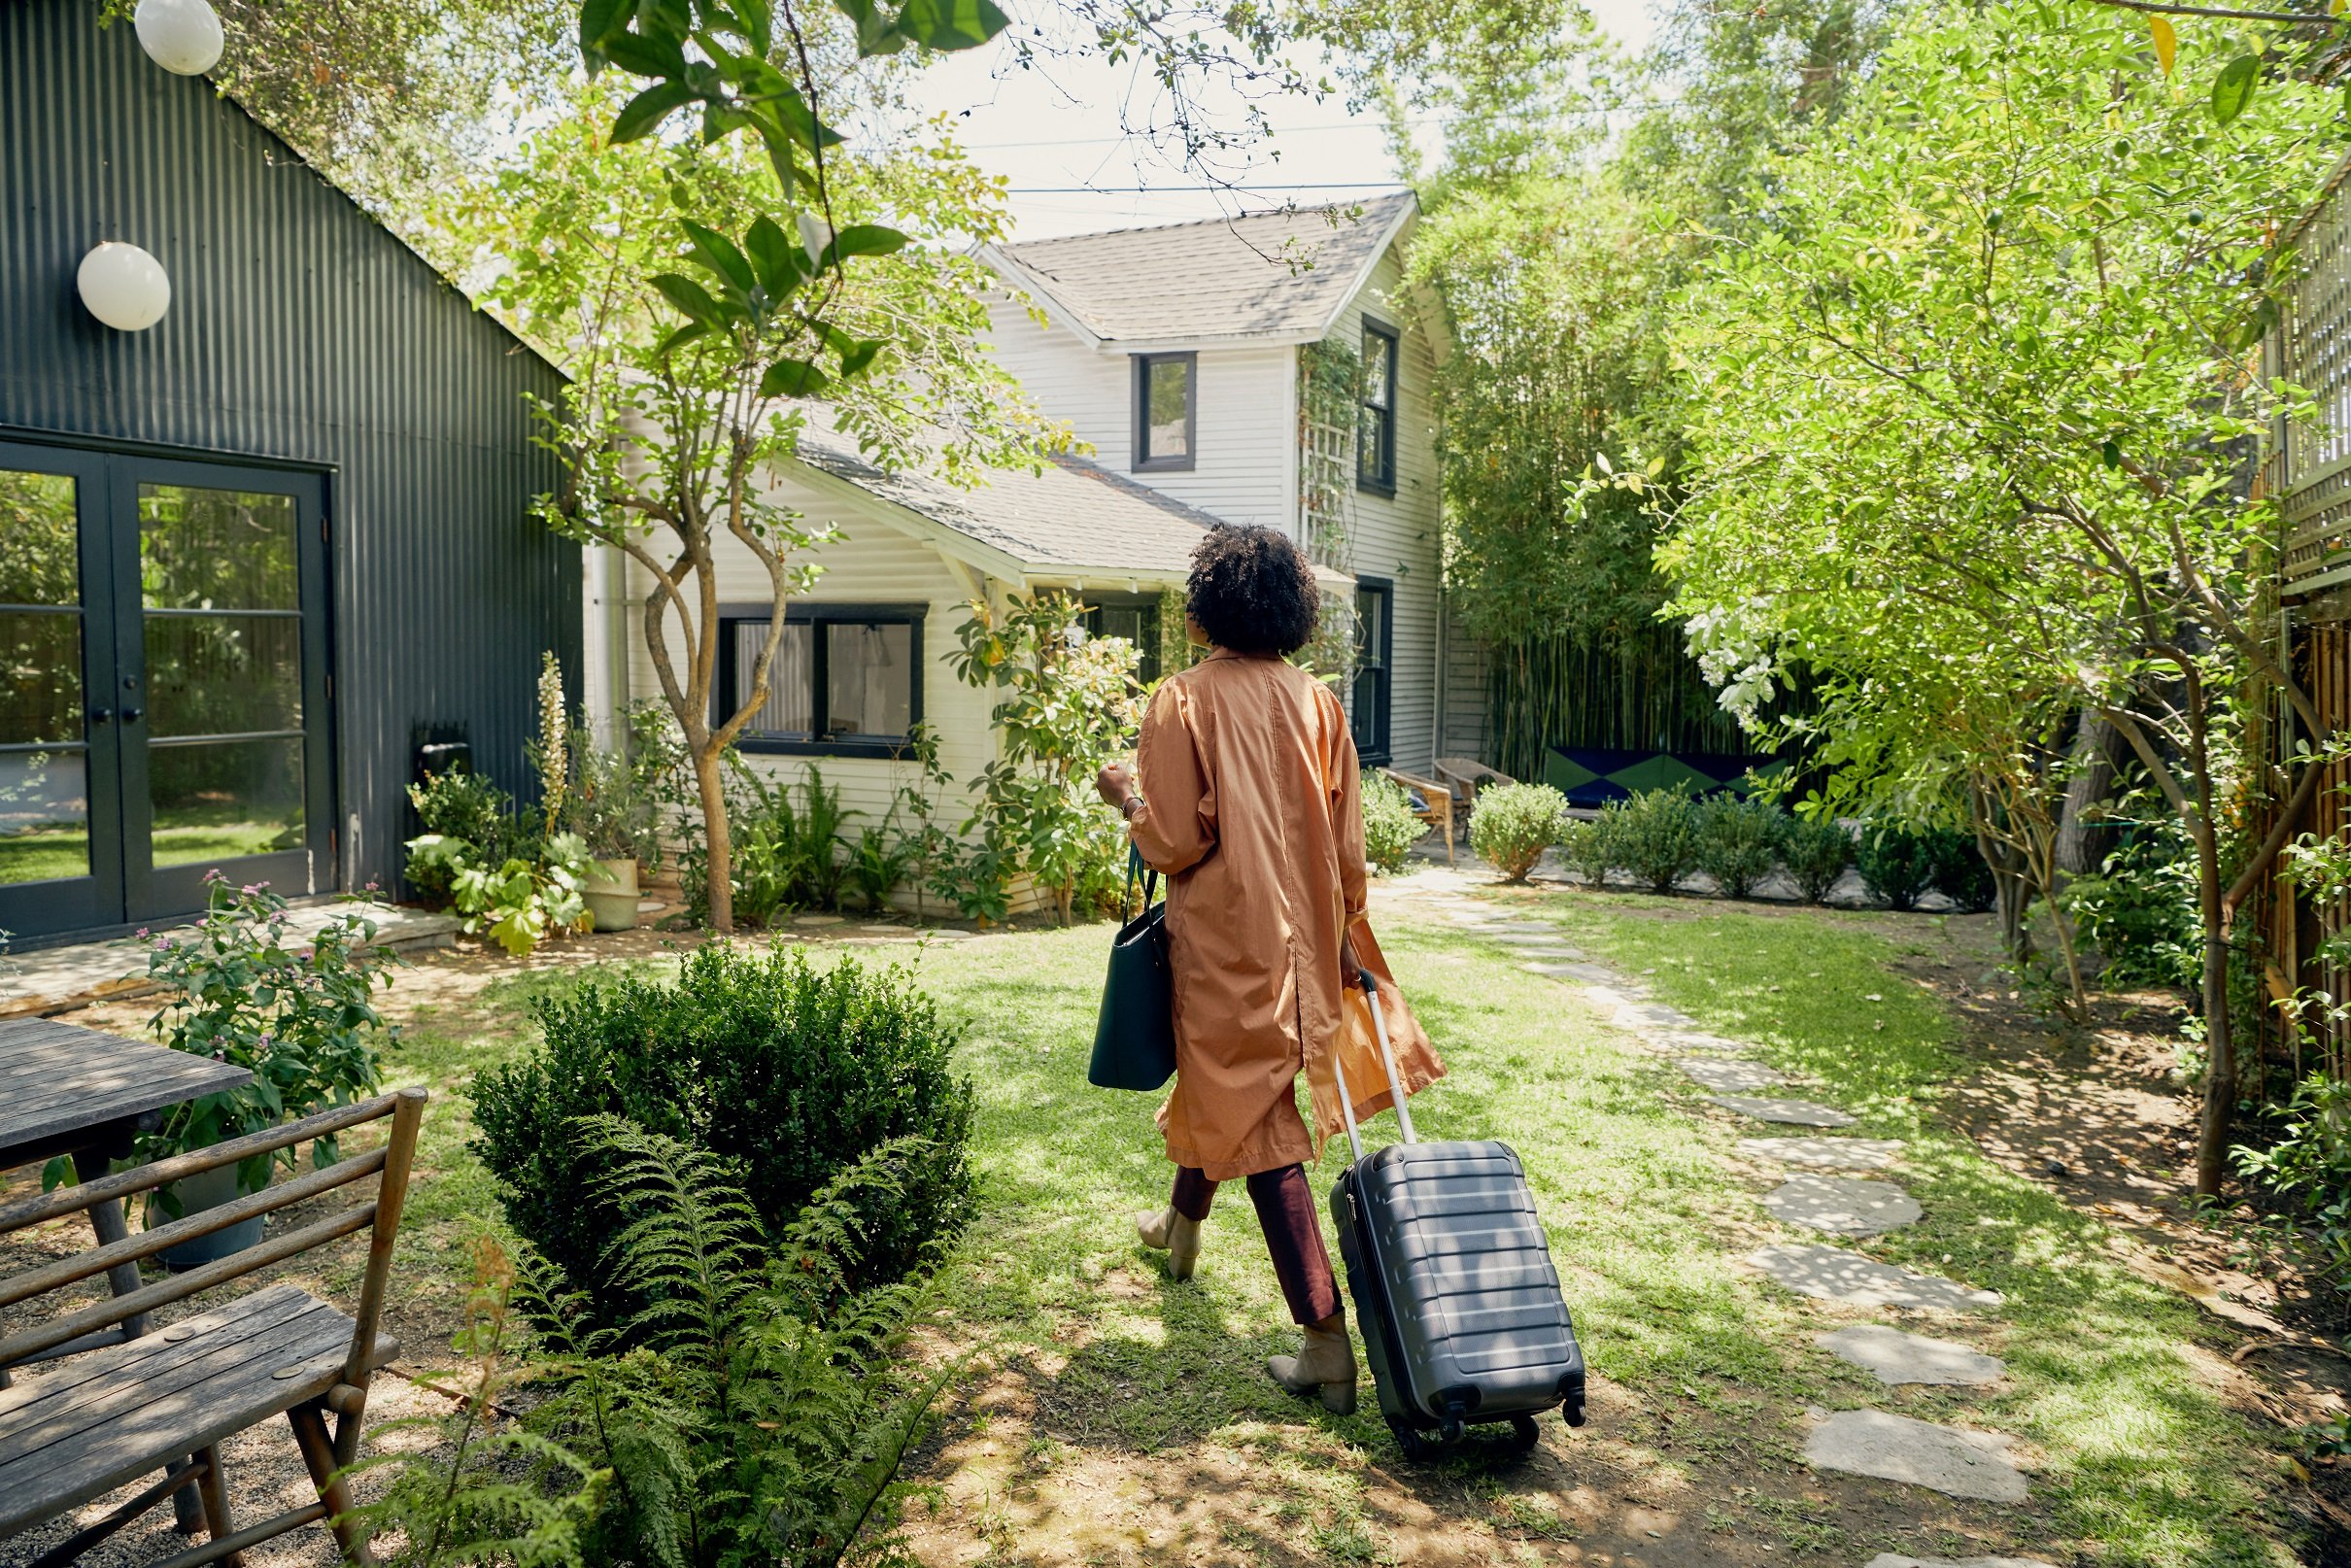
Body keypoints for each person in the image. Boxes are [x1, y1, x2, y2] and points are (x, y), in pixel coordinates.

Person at [1095, 523, 1443, 1415]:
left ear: (1205, 608)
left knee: (1259, 1125)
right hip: (1313, 939)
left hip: (1227, 943)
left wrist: (1125, 798)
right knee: (1231, 1091)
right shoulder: (1319, 704)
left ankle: (1325, 1341)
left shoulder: (1183, 700)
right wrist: (1347, 936)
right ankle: (1179, 1228)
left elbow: (1175, 840)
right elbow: (1349, 848)